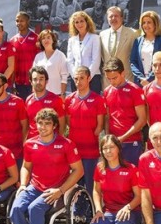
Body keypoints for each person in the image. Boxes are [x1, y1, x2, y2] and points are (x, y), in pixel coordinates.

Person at [10, 108, 84, 224]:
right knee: (16, 209)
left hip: (56, 189)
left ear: (55, 126)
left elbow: (78, 171)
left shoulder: (66, 144)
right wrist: (22, 184)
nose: (42, 127)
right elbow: (26, 167)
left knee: (35, 209)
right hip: (35, 186)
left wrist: (61, 190)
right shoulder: (30, 143)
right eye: (40, 123)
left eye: (47, 123)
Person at [86, 135, 141, 224]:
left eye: (111, 147)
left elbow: (139, 196)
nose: (108, 151)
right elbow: (96, 191)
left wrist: (128, 207)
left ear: (119, 149)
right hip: (110, 212)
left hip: (130, 211)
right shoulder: (99, 168)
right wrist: (99, 209)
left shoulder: (130, 169)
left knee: (123, 222)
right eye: (105, 148)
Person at [65, 66, 106, 194]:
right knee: (76, 186)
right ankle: (77, 212)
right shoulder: (69, 99)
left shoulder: (98, 99)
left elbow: (100, 125)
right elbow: (68, 121)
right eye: (76, 79)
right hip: (74, 151)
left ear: (89, 78)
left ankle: (92, 212)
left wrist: (92, 134)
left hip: (90, 151)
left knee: (90, 185)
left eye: (82, 78)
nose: (78, 82)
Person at [103, 58, 147, 165]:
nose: (112, 81)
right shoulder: (107, 91)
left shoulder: (135, 90)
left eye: (114, 78)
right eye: (109, 79)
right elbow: (107, 117)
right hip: (114, 144)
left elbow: (142, 120)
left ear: (123, 73)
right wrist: (109, 138)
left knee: (133, 177)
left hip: (132, 142)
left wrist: (123, 138)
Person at [0, 73, 28, 168]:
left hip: (16, 152)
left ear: (6, 86)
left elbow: (25, 125)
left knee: (18, 181)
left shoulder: (18, 102)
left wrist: (23, 145)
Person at [131, 11, 161, 86]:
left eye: (149, 22)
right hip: (140, 83)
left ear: (155, 24)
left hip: (157, 82)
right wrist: (141, 78)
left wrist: (149, 79)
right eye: (144, 23)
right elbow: (133, 61)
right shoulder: (137, 41)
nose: (146, 25)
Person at [24, 66, 66, 139]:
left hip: (50, 142)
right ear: (31, 82)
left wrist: (58, 140)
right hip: (33, 143)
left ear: (46, 81)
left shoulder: (55, 99)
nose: (38, 82)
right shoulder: (28, 99)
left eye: (41, 79)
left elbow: (62, 123)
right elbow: (27, 124)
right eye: (35, 79)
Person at [66, 11, 102, 93]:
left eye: (82, 21)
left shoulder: (95, 38)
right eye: (76, 22)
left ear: (87, 22)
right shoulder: (72, 40)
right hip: (76, 80)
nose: (79, 24)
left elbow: (96, 60)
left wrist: (87, 78)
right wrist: (75, 76)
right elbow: (69, 61)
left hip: (92, 78)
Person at [99, 6, 137, 85]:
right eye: (111, 16)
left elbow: (135, 58)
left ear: (122, 18)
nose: (113, 18)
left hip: (126, 80)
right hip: (107, 82)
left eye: (116, 16)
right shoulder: (102, 35)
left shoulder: (132, 34)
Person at [10, 12, 39, 99]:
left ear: (27, 21)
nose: (19, 23)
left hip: (33, 81)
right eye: (17, 21)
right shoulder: (12, 40)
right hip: (19, 83)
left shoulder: (36, 38)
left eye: (22, 21)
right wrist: (12, 83)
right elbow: (12, 64)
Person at [32, 30, 68, 96]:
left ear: (53, 40)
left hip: (56, 94)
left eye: (48, 37)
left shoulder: (60, 56)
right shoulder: (38, 57)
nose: (46, 40)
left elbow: (64, 77)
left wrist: (62, 94)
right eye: (43, 38)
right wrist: (34, 92)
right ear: (40, 42)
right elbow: (33, 76)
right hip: (40, 95)